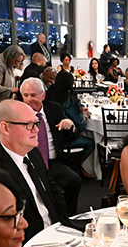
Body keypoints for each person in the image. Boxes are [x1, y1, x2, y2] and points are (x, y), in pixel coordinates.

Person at [0, 100, 71, 243]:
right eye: (29, 124)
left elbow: (51, 188)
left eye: (36, 123)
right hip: (26, 244)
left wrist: (64, 225)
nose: (36, 130)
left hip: (55, 233)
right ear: (5, 128)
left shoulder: (32, 152)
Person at [18, 78, 82, 214]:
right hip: (28, 163)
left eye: (33, 95)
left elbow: (71, 137)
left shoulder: (55, 109)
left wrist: (70, 126)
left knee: (74, 180)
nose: (29, 100)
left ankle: (69, 217)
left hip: (52, 162)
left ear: (43, 95)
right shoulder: (17, 114)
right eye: (25, 95)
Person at [43, 72, 95, 176]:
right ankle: (78, 165)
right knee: (91, 143)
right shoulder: (67, 99)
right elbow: (81, 125)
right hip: (65, 138)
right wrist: (84, 116)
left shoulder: (49, 94)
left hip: (50, 136)